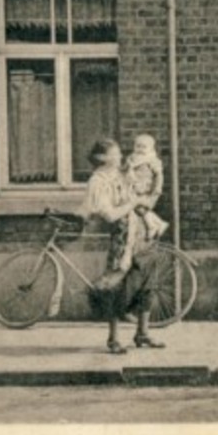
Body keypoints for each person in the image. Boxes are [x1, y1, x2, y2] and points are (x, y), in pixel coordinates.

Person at [78, 138, 164, 355]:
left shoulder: (119, 173)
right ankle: (113, 338)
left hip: (141, 234)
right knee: (117, 286)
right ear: (102, 158)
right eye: (115, 154)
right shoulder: (98, 181)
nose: (119, 156)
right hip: (123, 237)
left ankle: (142, 333)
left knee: (148, 283)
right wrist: (133, 204)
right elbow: (109, 214)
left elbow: (140, 188)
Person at [123, 133, 169, 255]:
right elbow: (124, 169)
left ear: (151, 148)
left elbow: (159, 176)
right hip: (132, 188)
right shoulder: (132, 159)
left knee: (140, 207)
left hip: (145, 188)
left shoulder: (152, 160)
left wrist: (157, 188)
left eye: (144, 147)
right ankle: (157, 223)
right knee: (137, 208)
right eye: (138, 146)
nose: (140, 149)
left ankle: (154, 224)